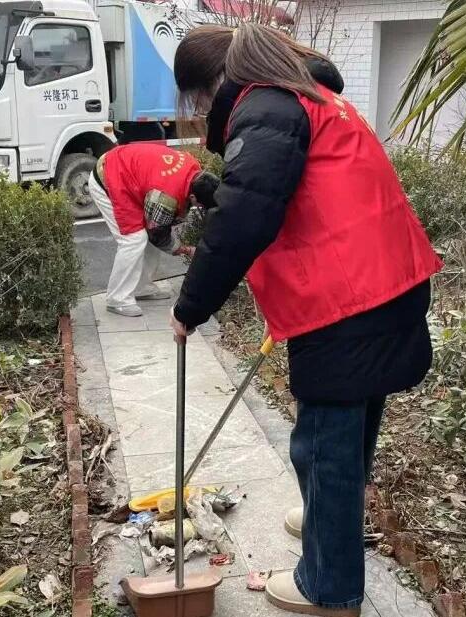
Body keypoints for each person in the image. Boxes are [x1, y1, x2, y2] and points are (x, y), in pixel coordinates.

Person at [170, 23, 442, 617]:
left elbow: (247, 218)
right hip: (386, 282)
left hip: (345, 302)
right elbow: (283, 194)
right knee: (352, 430)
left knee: (322, 445)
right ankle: (329, 519)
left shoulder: (265, 105)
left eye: (196, 100)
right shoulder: (314, 97)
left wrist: (190, 305)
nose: (199, 112)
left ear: (212, 83)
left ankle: (328, 586)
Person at [88, 143, 220, 317]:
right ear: (193, 196)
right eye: (201, 205)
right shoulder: (166, 197)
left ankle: (141, 287)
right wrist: (186, 250)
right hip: (109, 177)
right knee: (134, 239)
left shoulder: (194, 169)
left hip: (127, 171)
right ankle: (117, 298)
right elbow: (157, 235)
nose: (200, 208)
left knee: (146, 233)